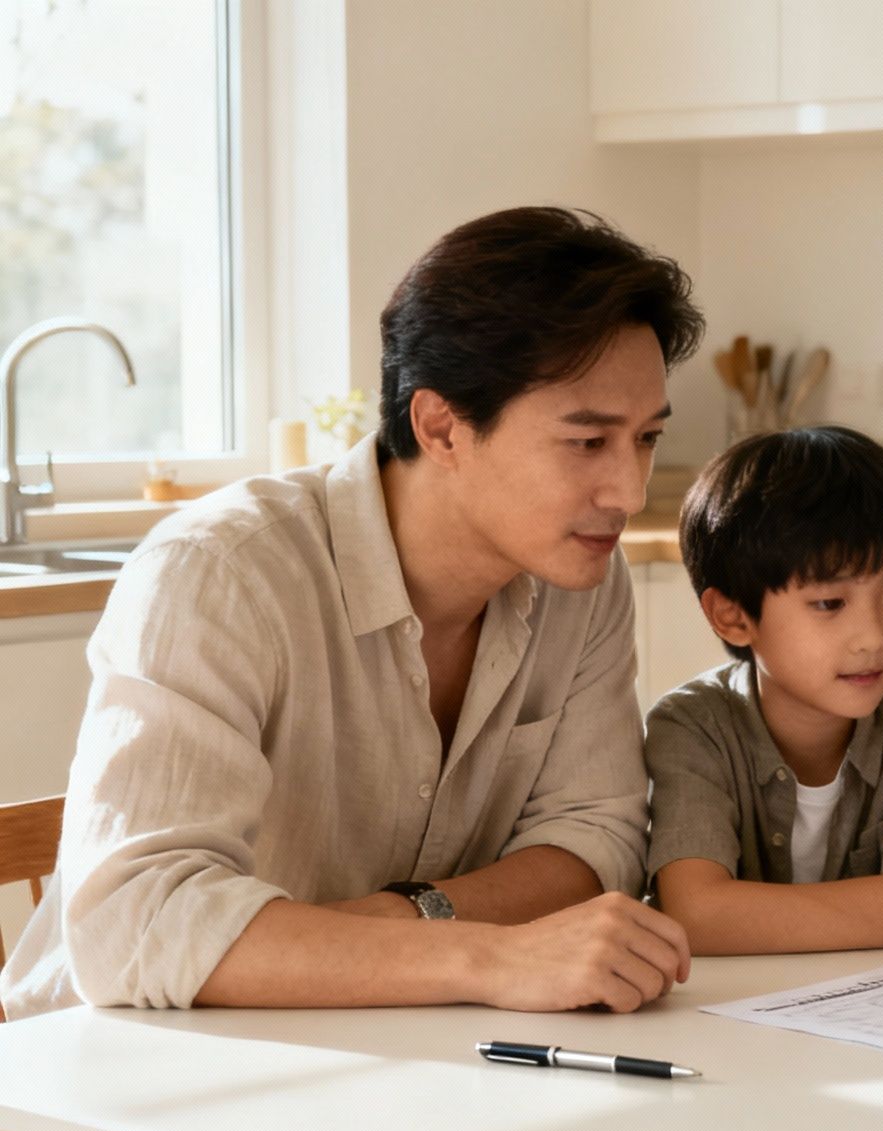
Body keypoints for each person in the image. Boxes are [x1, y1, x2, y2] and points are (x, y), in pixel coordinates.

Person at [0, 207, 701, 1019]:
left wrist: (371, 932)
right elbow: (139, 925)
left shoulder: (583, 579)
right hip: (110, 1080)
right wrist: (484, 953)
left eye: (646, 438)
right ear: (441, 426)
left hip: (381, 1047)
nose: (629, 492)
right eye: (588, 441)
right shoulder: (220, 573)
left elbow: (597, 842)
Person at [644, 425, 883, 953]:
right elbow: (694, 913)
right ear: (732, 616)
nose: (872, 639)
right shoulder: (691, 726)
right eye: (829, 604)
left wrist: (739, 915)